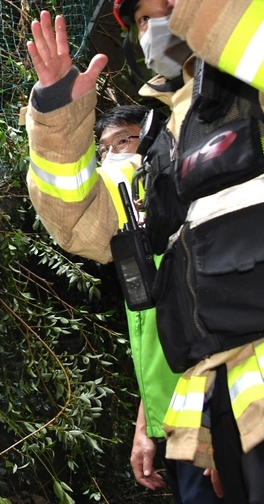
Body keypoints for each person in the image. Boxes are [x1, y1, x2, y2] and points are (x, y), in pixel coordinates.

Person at [25, 0, 264, 503]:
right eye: (144, 16)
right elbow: (82, 224)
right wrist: (57, 116)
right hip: (225, 402)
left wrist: (222, 9)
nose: (160, 20)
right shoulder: (158, 137)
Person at [96, 104, 223, 504]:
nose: (114, 156)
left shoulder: (193, 223)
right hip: (177, 421)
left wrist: (220, 435)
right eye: (105, 150)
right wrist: (146, 427)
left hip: (219, 418)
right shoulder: (137, 242)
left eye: (124, 142)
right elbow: (158, 345)